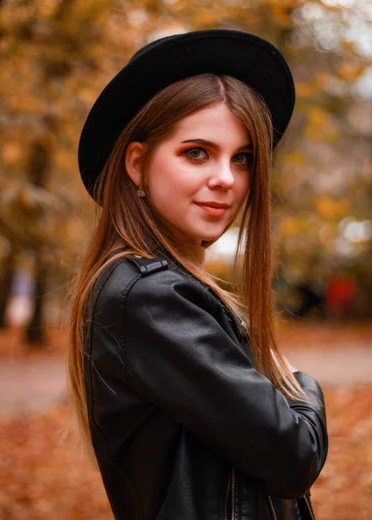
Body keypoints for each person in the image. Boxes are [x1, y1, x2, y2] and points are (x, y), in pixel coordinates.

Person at [68, 29, 328, 520]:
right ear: (138, 163)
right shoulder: (149, 297)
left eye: (242, 158)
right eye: (196, 152)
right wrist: (297, 382)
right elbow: (294, 456)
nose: (226, 179)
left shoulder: (157, 289)